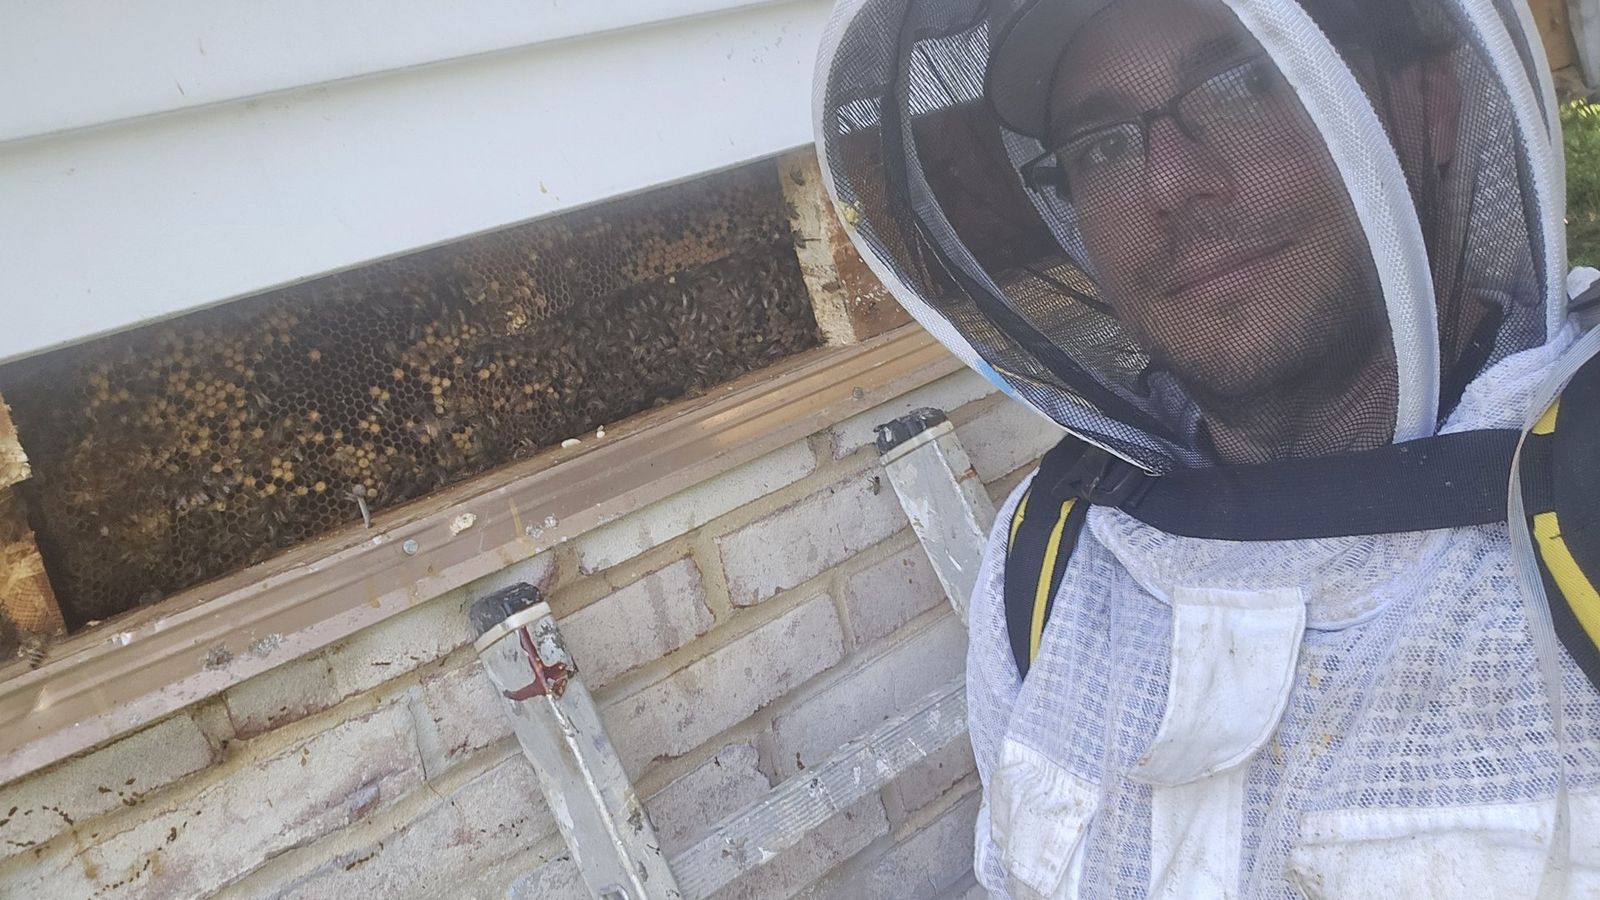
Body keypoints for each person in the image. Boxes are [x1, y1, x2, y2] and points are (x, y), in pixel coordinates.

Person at [814, 0, 1593, 896]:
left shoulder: (1582, 509)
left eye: (1244, 84)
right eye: (1101, 144)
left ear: (1433, 104)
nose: (1168, 182)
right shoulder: (1045, 560)